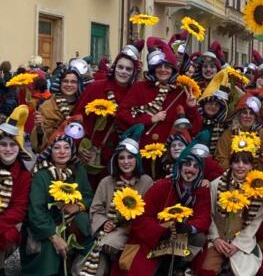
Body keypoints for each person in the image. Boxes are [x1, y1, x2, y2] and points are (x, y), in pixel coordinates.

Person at [113, 131, 212, 275]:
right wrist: (162, 231)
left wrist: (187, 227)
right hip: (155, 238)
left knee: (199, 238)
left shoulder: (202, 190)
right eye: (187, 164)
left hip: (182, 238)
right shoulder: (163, 185)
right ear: (180, 166)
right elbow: (142, 217)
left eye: (196, 166)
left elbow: (204, 217)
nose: (191, 169)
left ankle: (180, 266)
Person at [21, 118, 94, 276]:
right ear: (50, 151)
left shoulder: (78, 171)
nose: (62, 152)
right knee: (49, 259)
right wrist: (54, 237)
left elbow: (88, 196)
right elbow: (36, 211)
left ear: (71, 151)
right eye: (57, 148)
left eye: (66, 147)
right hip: (47, 227)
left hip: (72, 223)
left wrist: (79, 206)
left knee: (89, 248)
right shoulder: (41, 175)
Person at [116, 38, 202, 171]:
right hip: (140, 155)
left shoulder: (181, 91)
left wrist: (191, 108)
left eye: (167, 66)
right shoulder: (140, 87)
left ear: (173, 69)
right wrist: (149, 119)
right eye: (159, 66)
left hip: (170, 158)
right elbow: (122, 114)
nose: (163, 70)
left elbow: (194, 128)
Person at [82, 124, 153, 275]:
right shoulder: (106, 182)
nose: (126, 162)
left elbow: (149, 211)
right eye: (121, 158)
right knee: (92, 266)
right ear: (116, 161)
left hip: (133, 230)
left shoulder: (146, 181)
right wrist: (104, 223)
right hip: (107, 231)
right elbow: (96, 209)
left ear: (137, 160)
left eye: (130, 157)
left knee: (112, 245)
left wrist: (128, 224)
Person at [195, 132, 263, 275]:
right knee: (206, 270)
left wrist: (238, 244)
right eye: (236, 161)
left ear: (252, 165)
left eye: (245, 162)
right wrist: (215, 239)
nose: (240, 166)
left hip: (241, 243)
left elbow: (255, 221)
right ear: (231, 163)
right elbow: (209, 214)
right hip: (218, 240)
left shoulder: (258, 188)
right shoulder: (216, 184)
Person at [73, 40, 144, 181]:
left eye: (128, 69)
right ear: (114, 67)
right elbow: (77, 118)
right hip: (92, 155)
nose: (123, 72)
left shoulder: (136, 94)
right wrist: (79, 145)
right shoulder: (96, 88)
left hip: (122, 159)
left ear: (134, 72)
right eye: (120, 67)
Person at [0, 106, 33, 275]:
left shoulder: (24, 175)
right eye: (3, 145)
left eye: (12, 145)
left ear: (19, 148)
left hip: (5, 225)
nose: (8, 149)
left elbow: (19, 209)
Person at [31, 62, 86, 153]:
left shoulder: (84, 106)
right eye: (65, 81)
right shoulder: (47, 107)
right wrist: (39, 129)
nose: (69, 85)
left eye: (73, 82)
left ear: (78, 84)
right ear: (59, 83)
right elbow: (39, 146)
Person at [215, 89, 263, 170]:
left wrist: (250, 172)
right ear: (239, 115)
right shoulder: (229, 133)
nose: (248, 116)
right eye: (244, 112)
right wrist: (237, 171)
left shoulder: (262, 134)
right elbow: (221, 158)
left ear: (255, 117)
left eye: (251, 113)